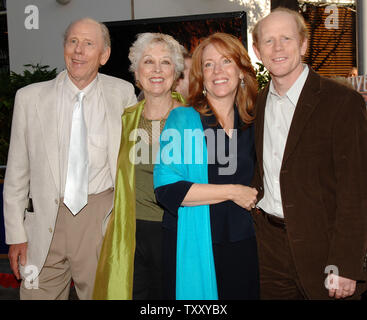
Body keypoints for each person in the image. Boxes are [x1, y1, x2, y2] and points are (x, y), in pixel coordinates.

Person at [3, 17, 137, 300]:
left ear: (104, 55)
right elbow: (16, 173)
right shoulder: (29, 99)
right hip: (43, 223)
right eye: (72, 41)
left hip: (100, 219)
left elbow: (134, 164)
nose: (78, 50)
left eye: (89, 44)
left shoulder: (122, 94)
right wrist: (16, 234)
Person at [251, 7, 367, 300]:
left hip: (326, 253)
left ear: (303, 44)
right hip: (269, 253)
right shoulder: (260, 101)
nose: (277, 48)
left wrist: (346, 264)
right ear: (256, 50)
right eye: (268, 41)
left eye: (286, 38)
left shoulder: (342, 103)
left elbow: (357, 192)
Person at [153, 32, 259, 300]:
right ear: (201, 76)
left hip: (245, 242)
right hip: (195, 242)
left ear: (242, 71)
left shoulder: (255, 120)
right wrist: (233, 191)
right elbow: (166, 188)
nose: (217, 71)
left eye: (226, 61)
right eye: (208, 64)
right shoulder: (182, 119)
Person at [93, 33, 186, 300]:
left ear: (176, 72)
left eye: (166, 62)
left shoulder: (192, 118)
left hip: (176, 232)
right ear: (136, 72)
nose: (157, 70)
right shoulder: (125, 120)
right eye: (148, 62)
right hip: (130, 233)